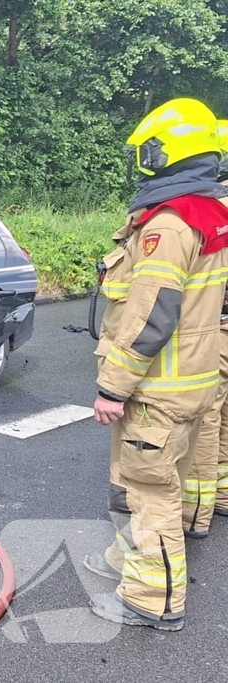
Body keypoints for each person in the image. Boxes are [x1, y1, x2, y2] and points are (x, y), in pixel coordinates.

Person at [84, 99, 228, 631]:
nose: (143, 160)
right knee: (140, 480)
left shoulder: (167, 226)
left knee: (150, 493)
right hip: (189, 381)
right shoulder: (209, 215)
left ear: (169, 153)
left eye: (149, 151)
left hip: (156, 390)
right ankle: (127, 565)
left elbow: (149, 317)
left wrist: (112, 388)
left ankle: (153, 602)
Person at [181, 120, 228, 536]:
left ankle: (194, 513)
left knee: (205, 416)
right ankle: (223, 495)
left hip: (219, 327)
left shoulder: (216, 210)